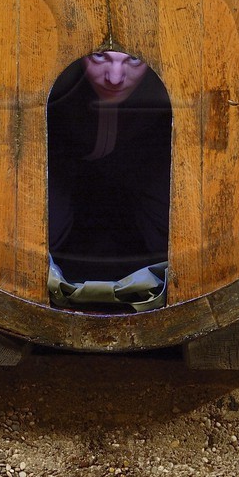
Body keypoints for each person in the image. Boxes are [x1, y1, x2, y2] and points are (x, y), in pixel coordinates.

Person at [46, 49, 171, 311]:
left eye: (133, 59)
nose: (114, 78)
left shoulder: (162, 93)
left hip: (144, 167)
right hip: (64, 165)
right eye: (100, 57)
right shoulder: (60, 88)